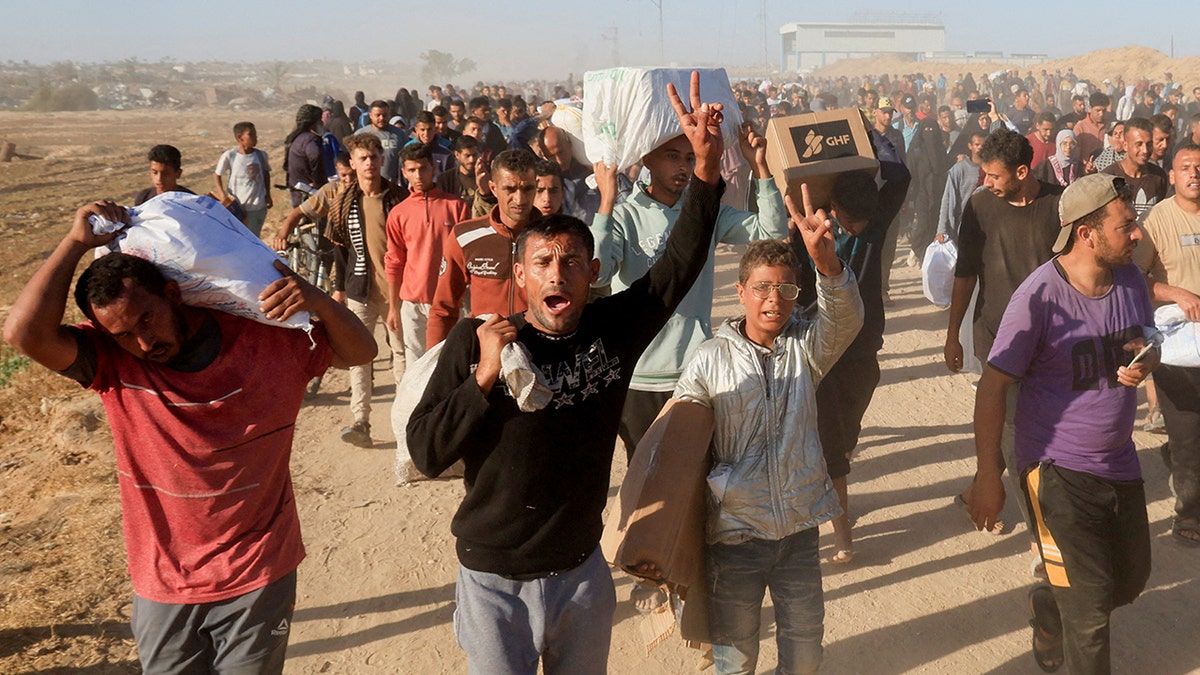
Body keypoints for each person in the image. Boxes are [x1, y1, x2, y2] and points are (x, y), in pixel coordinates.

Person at [407, 72, 725, 675]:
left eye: (572, 262)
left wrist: (705, 172)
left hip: (580, 576)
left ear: (593, 271)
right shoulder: (475, 343)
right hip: (492, 581)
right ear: (519, 276)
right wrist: (482, 380)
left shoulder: (611, 333)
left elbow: (677, 266)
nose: (558, 274)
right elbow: (425, 452)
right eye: (543, 263)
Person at [2, 199, 377, 675]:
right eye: (121, 334)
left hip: (259, 570)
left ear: (174, 295)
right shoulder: (112, 364)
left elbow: (361, 351)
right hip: (163, 582)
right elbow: (22, 333)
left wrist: (317, 299)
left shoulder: (268, 342)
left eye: (146, 320)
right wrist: (75, 243)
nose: (142, 343)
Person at [970, 173, 1155, 673]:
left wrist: (1146, 361)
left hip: (1118, 461)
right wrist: (989, 474)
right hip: (1055, 472)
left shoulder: (1132, 279)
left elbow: (1146, 338)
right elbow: (992, 387)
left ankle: (1049, 608)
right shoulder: (1038, 298)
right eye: (1126, 225)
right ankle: (1067, 611)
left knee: (1130, 580)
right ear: (1086, 234)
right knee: (1091, 614)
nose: (1137, 233)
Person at [674, 217, 864, 674]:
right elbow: (680, 441)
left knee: (804, 656)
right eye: (761, 288)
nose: (773, 300)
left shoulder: (806, 347)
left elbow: (847, 319)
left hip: (798, 533)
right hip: (735, 537)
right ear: (740, 292)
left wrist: (828, 265)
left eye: (785, 290)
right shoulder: (708, 360)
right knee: (735, 660)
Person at [945, 128, 1065, 552]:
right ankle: (1042, 536)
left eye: (994, 176)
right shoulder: (978, 207)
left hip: (1053, 341)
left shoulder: (1059, 204)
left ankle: (979, 486)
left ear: (1021, 171)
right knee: (1017, 435)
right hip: (999, 340)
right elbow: (965, 274)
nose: (986, 183)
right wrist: (952, 335)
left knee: (1047, 431)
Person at [274, 133, 409, 448]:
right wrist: (339, 289)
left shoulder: (398, 198)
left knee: (401, 355)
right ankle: (360, 421)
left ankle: (405, 422)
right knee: (359, 356)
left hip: (397, 290)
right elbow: (341, 250)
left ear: (381, 160)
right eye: (363, 158)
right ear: (352, 163)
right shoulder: (345, 202)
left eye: (374, 157)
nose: (369, 164)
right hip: (360, 288)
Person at [1133, 143, 1200, 545]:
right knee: (1189, 429)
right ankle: (1189, 513)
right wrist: (1175, 292)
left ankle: (1177, 460)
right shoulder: (1158, 219)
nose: (1195, 173)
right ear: (1171, 176)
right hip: (1178, 346)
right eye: (1186, 167)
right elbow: (1133, 278)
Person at [425, 149, 539, 349]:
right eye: (510, 189)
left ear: (536, 186)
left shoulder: (555, 236)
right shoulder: (466, 236)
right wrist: (433, 366)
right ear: (493, 188)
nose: (520, 199)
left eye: (527, 189)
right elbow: (444, 309)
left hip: (543, 353)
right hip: (484, 352)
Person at [384, 143, 469, 361]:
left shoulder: (457, 207)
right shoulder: (398, 214)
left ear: (433, 167)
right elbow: (394, 261)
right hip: (413, 304)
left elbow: (469, 257)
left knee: (451, 363)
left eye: (423, 168)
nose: (418, 175)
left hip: (450, 300)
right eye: (411, 170)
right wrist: (393, 308)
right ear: (404, 172)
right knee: (416, 367)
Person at [213, 122, 273, 237]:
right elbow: (217, 175)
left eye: (255, 134)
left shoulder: (261, 155)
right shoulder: (230, 156)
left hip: (257, 207)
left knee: (253, 238)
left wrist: (268, 195)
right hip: (237, 208)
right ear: (240, 138)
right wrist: (223, 195)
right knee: (237, 237)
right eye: (251, 134)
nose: (256, 137)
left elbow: (266, 174)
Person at [1102, 117, 1168, 218]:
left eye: (1149, 144)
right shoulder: (1108, 177)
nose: (1145, 150)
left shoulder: (1159, 176)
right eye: (1139, 144)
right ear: (1125, 145)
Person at [937, 129, 986, 243]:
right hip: (964, 225)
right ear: (970, 146)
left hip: (987, 225)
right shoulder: (959, 169)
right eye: (977, 144)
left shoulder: (993, 169)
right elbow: (947, 199)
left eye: (984, 144)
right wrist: (941, 230)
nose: (980, 148)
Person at [284, 104, 326, 208]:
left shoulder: (296, 138)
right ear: (312, 124)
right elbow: (314, 155)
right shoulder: (310, 139)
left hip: (297, 194)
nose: (322, 122)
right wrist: (317, 182)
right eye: (319, 120)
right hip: (308, 195)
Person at [354, 100, 406, 184]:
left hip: (393, 185)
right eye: (378, 115)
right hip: (367, 184)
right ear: (370, 115)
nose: (381, 118)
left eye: (384, 115)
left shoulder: (400, 134)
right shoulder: (360, 135)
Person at [436, 134, 482, 204]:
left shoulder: (485, 177)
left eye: (474, 155)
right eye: (467, 156)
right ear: (457, 154)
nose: (471, 160)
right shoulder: (445, 180)